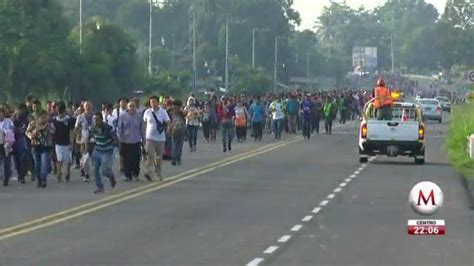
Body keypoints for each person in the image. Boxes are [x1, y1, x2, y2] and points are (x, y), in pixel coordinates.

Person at [143, 96, 171, 181]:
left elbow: (168, 122)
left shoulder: (163, 112)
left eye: (155, 102)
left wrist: (169, 129)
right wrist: (143, 136)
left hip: (160, 138)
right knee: (150, 155)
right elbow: (144, 123)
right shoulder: (147, 112)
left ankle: (158, 173)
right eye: (151, 102)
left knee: (159, 157)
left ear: (158, 102)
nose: (153, 104)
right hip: (149, 138)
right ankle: (149, 172)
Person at [89, 112, 117, 193]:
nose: (95, 121)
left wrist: (117, 146)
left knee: (104, 171)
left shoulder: (107, 127)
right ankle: (99, 186)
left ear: (101, 120)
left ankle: (111, 176)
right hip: (97, 150)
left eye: (97, 119)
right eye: (94, 119)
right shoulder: (92, 128)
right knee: (95, 169)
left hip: (107, 150)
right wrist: (86, 148)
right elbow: (89, 137)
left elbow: (115, 136)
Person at [26, 112, 55, 188]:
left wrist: (45, 127)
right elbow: (27, 132)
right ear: (38, 118)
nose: (43, 119)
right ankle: (39, 181)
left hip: (46, 147)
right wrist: (31, 135)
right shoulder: (33, 124)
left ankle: (43, 178)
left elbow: (53, 132)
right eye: (42, 117)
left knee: (44, 165)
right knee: (37, 165)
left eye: (45, 117)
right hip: (35, 146)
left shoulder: (49, 124)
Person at [117, 101, 143, 182]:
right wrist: (120, 137)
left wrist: (143, 139)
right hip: (125, 141)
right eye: (130, 106)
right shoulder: (123, 116)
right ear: (127, 107)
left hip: (136, 140)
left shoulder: (139, 116)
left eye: (133, 106)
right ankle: (127, 175)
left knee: (136, 158)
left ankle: (135, 174)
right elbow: (119, 128)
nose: (132, 108)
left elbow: (142, 128)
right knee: (126, 159)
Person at [52, 102, 74, 183]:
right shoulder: (54, 120)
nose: (59, 111)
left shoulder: (69, 119)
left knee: (68, 160)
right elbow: (53, 131)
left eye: (61, 109)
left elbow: (71, 131)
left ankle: (67, 173)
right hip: (58, 143)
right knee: (59, 160)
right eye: (58, 110)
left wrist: (71, 142)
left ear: (64, 110)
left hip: (67, 143)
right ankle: (59, 175)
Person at [74, 101, 94, 182]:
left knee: (90, 158)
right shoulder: (80, 117)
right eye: (86, 106)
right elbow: (76, 128)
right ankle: (86, 174)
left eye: (89, 106)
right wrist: (77, 137)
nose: (88, 107)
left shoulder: (95, 116)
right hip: (83, 140)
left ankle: (85, 169)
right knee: (85, 158)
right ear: (84, 107)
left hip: (93, 140)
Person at [11, 104, 30, 184]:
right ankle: (20, 174)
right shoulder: (13, 119)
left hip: (25, 140)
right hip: (15, 141)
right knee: (17, 160)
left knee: (24, 158)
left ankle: (22, 175)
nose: (22, 112)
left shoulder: (27, 118)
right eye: (21, 110)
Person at [0, 107, 15, 186]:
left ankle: (6, 179)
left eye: (1, 113)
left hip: (6, 144)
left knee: (6, 161)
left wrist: (8, 131)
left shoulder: (8, 121)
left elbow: (13, 128)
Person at [170, 100, 186, 166]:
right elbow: (186, 114)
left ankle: (174, 159)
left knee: (174, 146)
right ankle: (178, 159)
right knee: (179, 146)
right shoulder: (181, 112)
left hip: (174, 130)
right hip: (181, 130)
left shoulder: (171, 112)